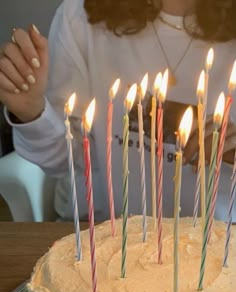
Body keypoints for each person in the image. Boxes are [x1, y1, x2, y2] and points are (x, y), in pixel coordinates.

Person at [0, 0, 235, 221]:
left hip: (219, 240)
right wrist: (32, 111)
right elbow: (68, 159)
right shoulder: (80, 17)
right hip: (105, 236)